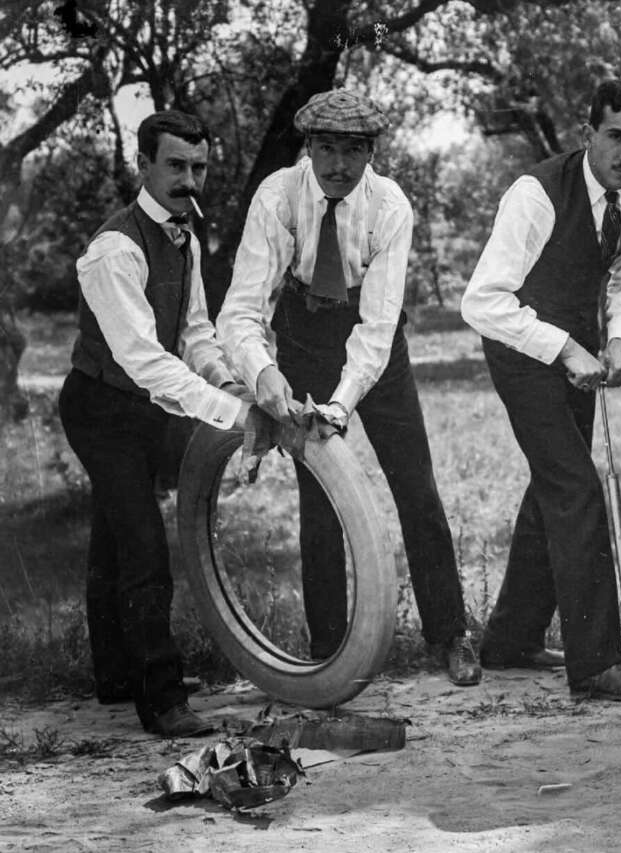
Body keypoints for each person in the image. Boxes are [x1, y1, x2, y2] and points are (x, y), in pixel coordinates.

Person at [216, 90, 480, 687]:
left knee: (416, 487)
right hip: (304, 335)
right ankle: (329, 650)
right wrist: (262, 372)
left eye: (353, 151)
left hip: (374, 344)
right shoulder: (277, 196)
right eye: (327, 149)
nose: (338, 165)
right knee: (320, 498)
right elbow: (241, 308)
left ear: (371, 153)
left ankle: (450, 634)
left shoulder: (390, 206)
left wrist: (340, 406)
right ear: (308, 147)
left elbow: (378, 327)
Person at [461, 79, 621, 701]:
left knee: (553, 487)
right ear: (587, 135)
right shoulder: (535, 194)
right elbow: (482, 302)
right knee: (577, 488)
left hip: (579, 348)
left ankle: (510, 640)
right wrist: (565, 348)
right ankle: (597, 666)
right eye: (615, 137)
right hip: (520, 345)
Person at [59, 110, 260, 737]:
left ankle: (117, 675)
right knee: (144, 546)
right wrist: (234, 413)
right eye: (175, 165)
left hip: (143, 405)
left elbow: (194, 332)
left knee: (115, 535)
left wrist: (228, 381)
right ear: (143, 165)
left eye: (199, 167)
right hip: (100, 407)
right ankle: (163, 700)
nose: (189, 180)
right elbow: (144, 359)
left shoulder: (186, 238)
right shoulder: (114, 249)